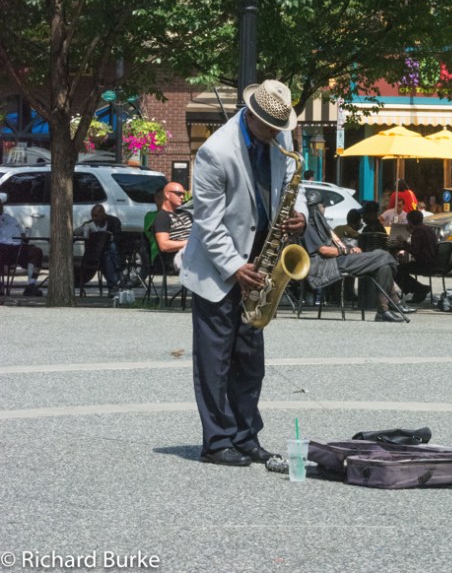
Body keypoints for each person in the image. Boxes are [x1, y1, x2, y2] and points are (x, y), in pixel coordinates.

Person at [180, 80, 307, 467]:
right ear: (252, 115)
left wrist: (299, 213)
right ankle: (217, 441)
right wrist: (236, 267)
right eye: (270, 127)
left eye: (279, 127)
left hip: (260, 261)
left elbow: (292, 182)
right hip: (219, 268)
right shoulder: (215, 152)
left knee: (251, 361)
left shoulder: (278, 139)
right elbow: (207, 222)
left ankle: (245, 436)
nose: (276, 135)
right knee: (215, 362)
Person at [302, 190, 408, 321]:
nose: (324, 209)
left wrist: (348, 248)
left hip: (340, 259)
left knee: (384, 266)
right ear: (316, 208)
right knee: (383, 256)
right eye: (322, 206)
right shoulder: (309, 227)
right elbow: (323, 250)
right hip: (331, 264)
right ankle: (396, 303)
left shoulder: (319, 225)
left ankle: (383, 311)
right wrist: (349, 251)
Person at [74, 204, 124, 298]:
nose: (94, 218)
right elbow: (75, 232)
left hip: (108, 253)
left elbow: (118, 237)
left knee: (110, 252)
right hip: (94, 254)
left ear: (103, 214)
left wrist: (110, 237)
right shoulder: (90, 224)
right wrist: (84, 229)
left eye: (96, 216)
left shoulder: (113, 221)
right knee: (109, 253)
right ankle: (117, 277)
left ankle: (113, 287)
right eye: (92, 216)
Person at [0, 198, 44, 296]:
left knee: (36, 252)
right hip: (2, 247)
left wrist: (25, 236)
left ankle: (31, 285)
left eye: (1, 204)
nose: (1, 206)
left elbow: (22, 233)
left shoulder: (10, 218)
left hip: (18, 247)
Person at [394, 210, 437, 304]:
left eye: (408, 221)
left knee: (396, 270)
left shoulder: (418, 231)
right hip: (432, 262)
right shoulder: (428, 229)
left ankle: (419, 289)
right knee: (401, 268)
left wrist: (403, 242)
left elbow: (414, 251)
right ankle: (419, 289)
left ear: (411, 221)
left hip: (424, 264)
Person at [152, 182, 192, 272]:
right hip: (176, 258)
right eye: (178, 194)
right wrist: (189, 243)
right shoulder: (162, 217)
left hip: (192, 253)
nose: (182, 197)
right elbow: (164, 245)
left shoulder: (186, 214)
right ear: (167, 194)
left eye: (183, 194)